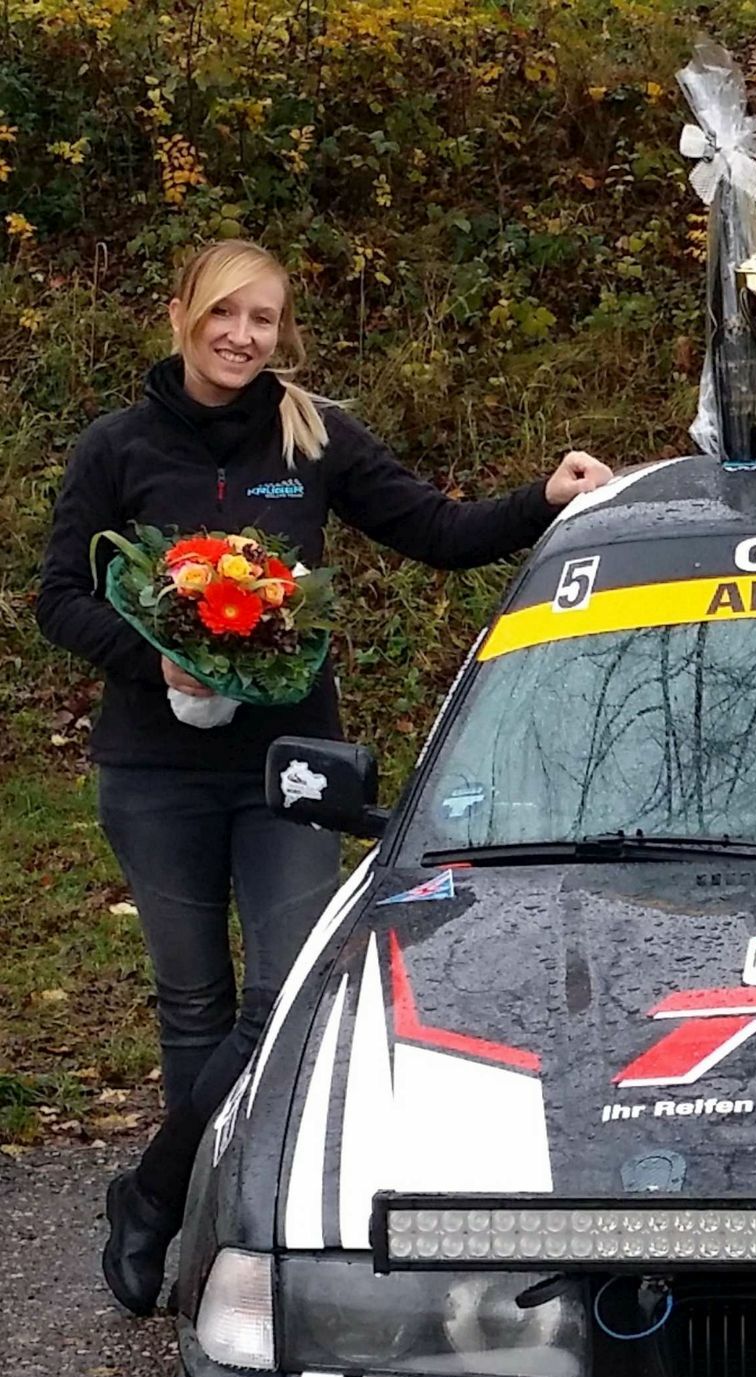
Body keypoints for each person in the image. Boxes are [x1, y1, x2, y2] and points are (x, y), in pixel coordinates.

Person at [36, 240, 613, 1316]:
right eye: (224, 313)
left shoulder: (313, 435)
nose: (242, 335)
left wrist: (545, 495)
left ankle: (152, 1195)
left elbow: (437, 531)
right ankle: (204, 1215)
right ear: (181, 313)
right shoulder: (116, 446)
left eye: (262, 318)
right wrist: (155, 657)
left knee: (278, 996)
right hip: (154, 771)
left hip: (290, 769)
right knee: (193, 1004)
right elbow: (58, 595)